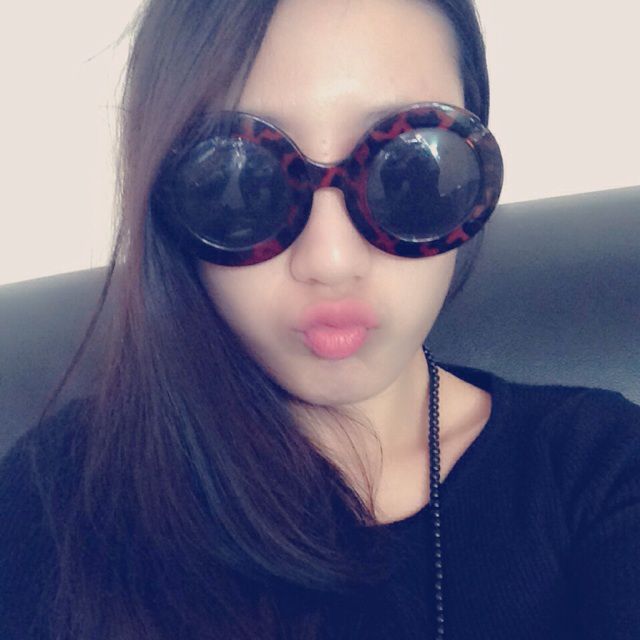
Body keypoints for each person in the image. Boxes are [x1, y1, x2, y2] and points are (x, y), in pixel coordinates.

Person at [1, 0, 639, 638]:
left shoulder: (602, 469)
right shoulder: (61, 498)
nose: (330, 261)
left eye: (410, 167)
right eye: (240, 177)